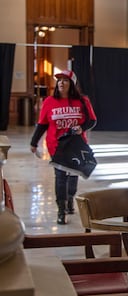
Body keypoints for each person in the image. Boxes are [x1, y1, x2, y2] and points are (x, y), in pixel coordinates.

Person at [30, 69, 97, 225]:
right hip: (57, 146)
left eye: (65, 80)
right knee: (60, 177)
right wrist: (34, 143)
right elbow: (42, 124)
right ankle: (61, 210)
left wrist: (82, 127)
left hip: (76, 145)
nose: (61, 83)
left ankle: (70, 198)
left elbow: (92, 120)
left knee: (73, 174)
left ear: (72, 83)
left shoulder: (82, 101)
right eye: (59, 80)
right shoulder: (49, 102)